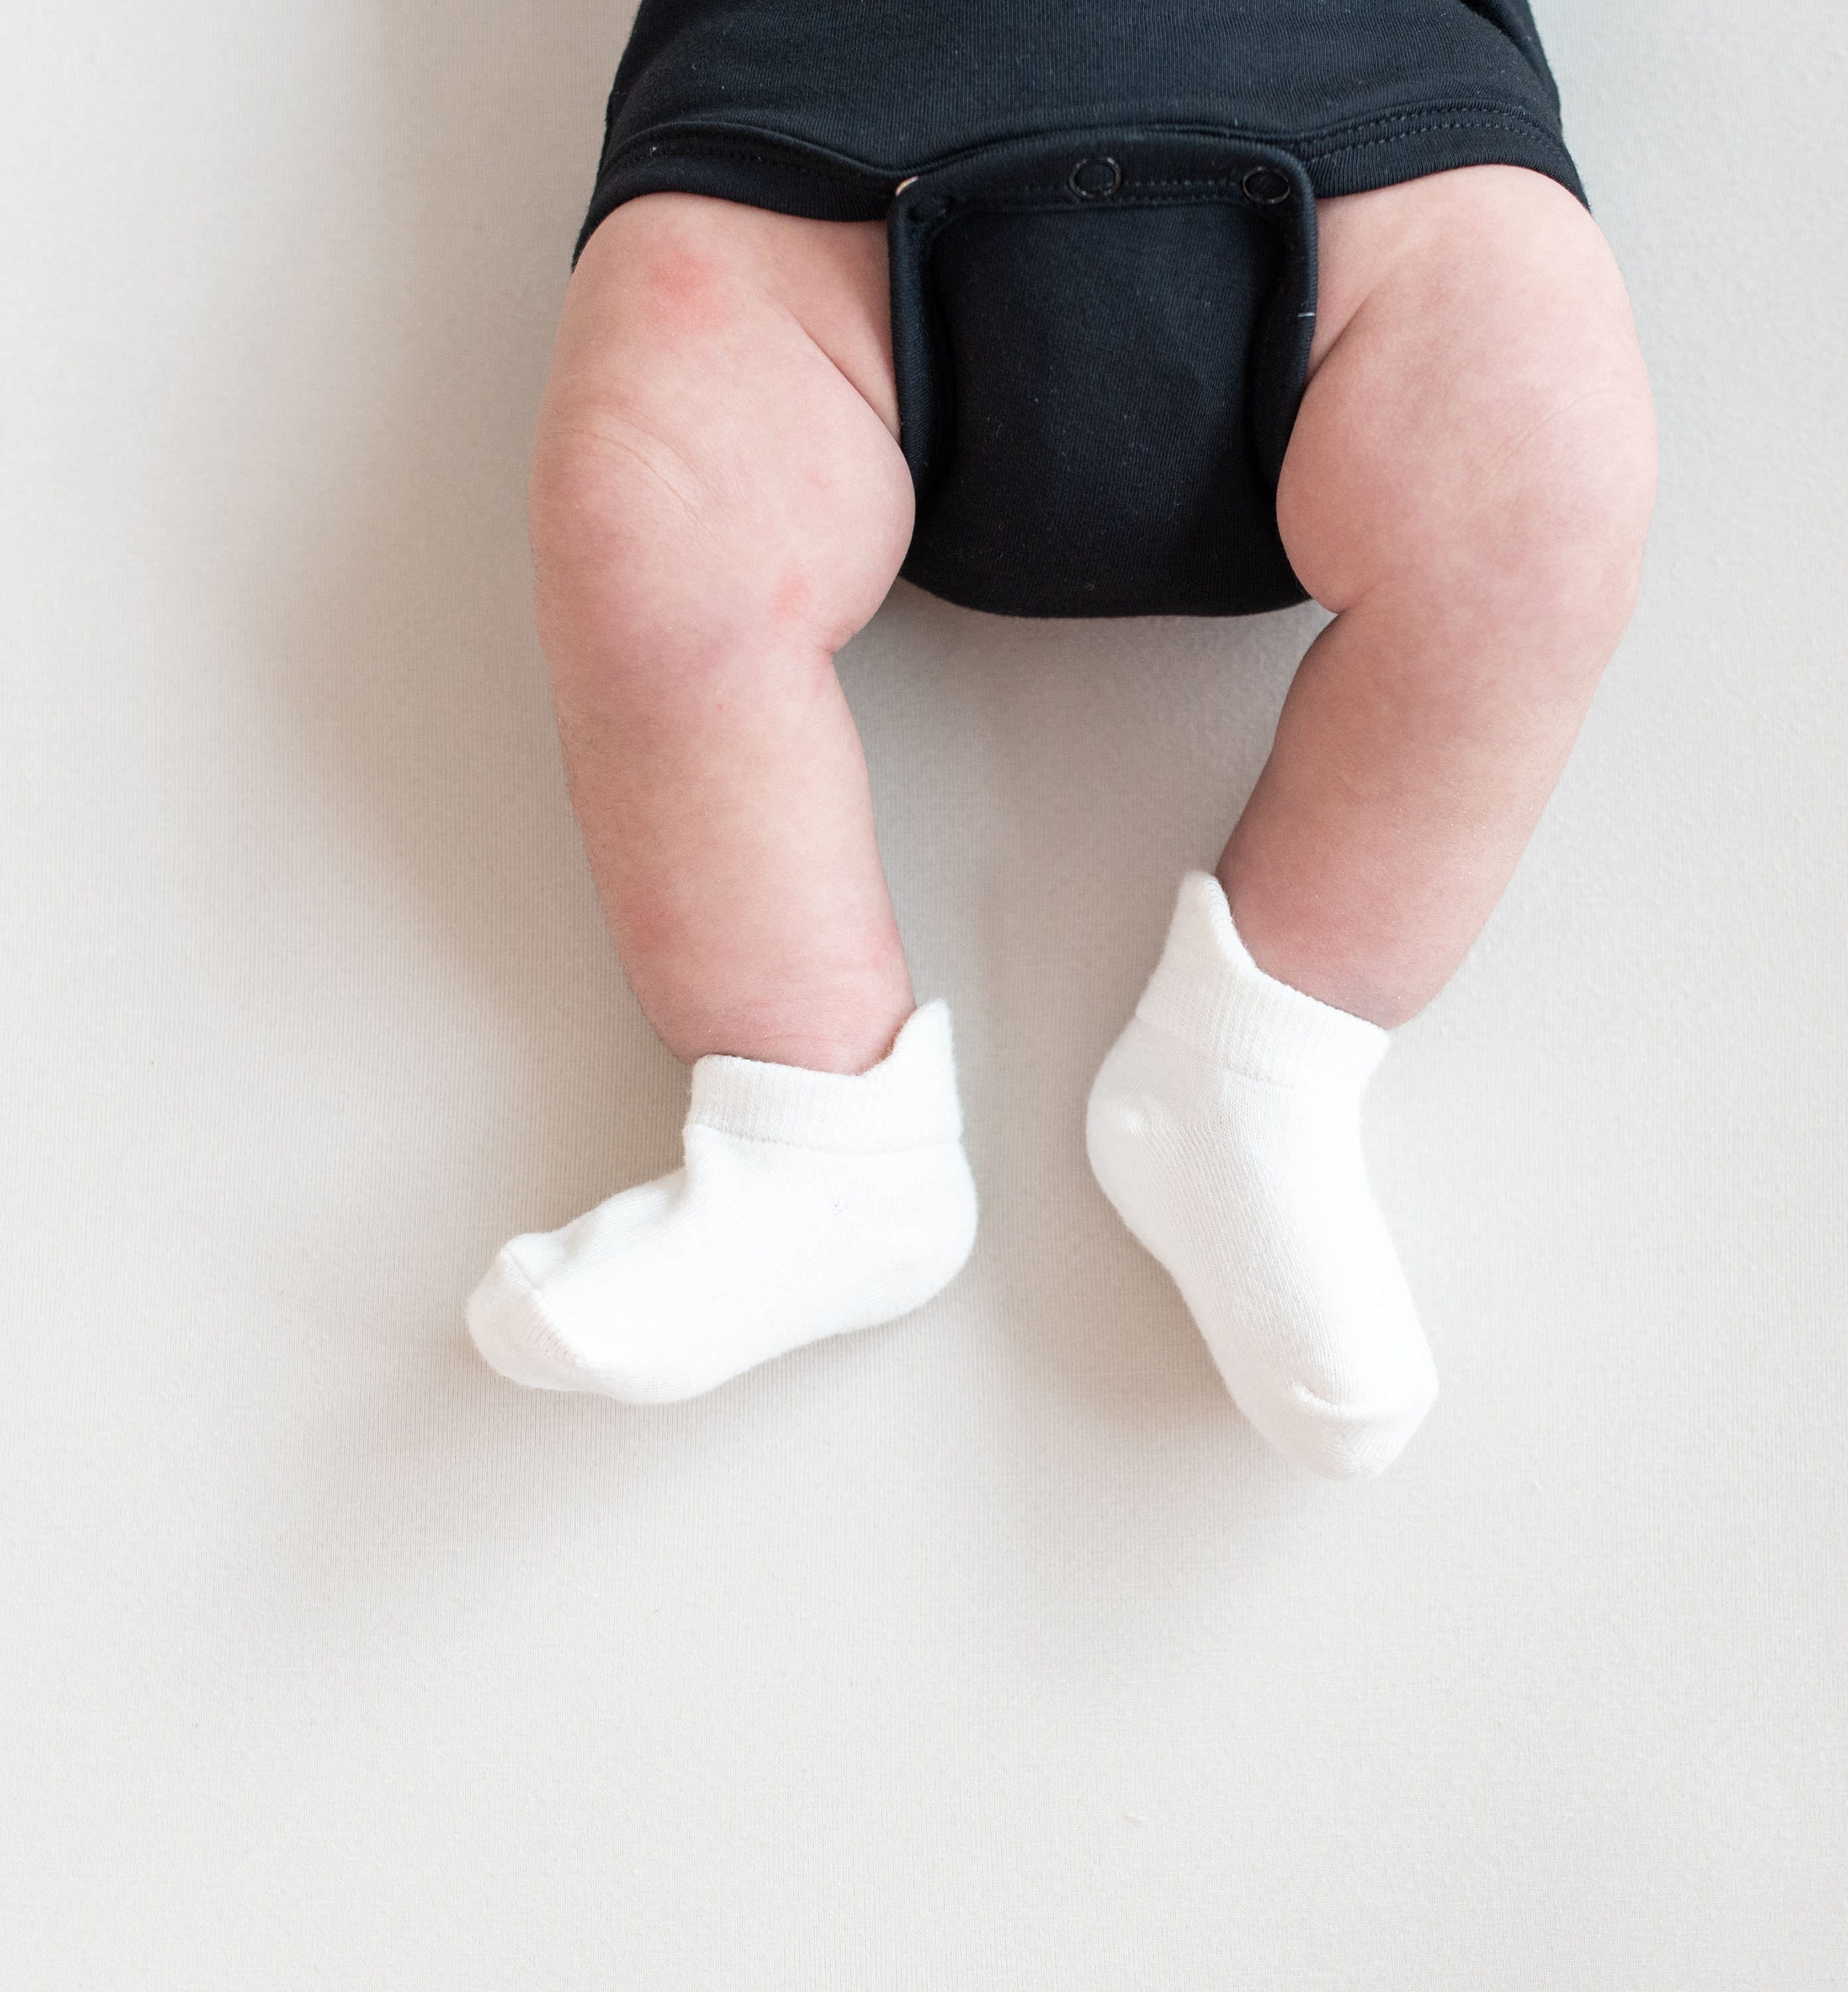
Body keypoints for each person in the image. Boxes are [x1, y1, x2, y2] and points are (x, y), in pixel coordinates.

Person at [465, 1, 1658, 1478]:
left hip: (1362, 111)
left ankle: (1259, 1062)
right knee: (650, 524)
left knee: (1542, 483)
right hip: (808, 139)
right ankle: (817, 1137)